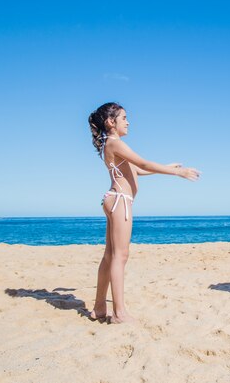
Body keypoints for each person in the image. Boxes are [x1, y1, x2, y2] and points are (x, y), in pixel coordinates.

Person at [87, 102, 200, 323]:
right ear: (111, 122)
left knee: (110, 256)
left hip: (113, 199)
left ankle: (100, 308)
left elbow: (136, 169)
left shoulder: (110, 145)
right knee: (120, 256)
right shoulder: (115, 143)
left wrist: (168, 166)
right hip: (121, 202)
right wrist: (178, 172)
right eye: (124, 118)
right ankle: (119, 313)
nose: (128, 122)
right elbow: (144, 163)